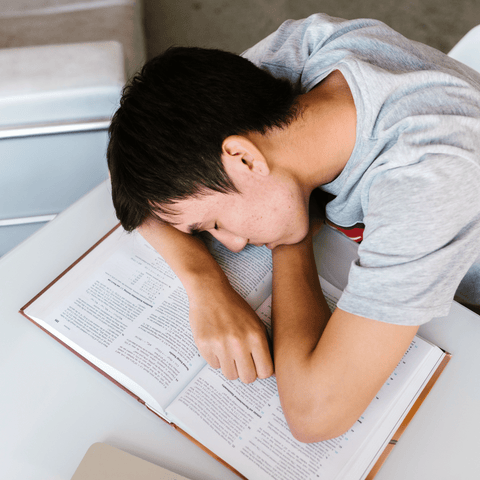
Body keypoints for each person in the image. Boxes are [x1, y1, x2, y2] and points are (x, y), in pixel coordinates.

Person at [107, 13, 480, 443]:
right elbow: (142, 199)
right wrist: (205, 285)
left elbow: (313, 416)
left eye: (213, 223)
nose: (232, 242)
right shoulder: (301, 50)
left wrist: (290, 240)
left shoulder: (427, 177)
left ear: (245, 160)